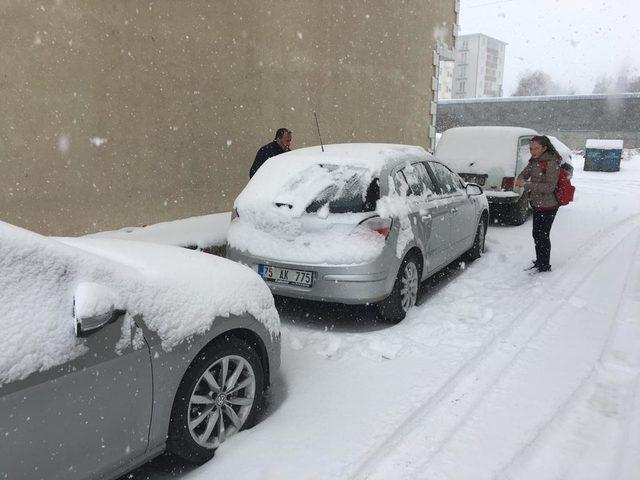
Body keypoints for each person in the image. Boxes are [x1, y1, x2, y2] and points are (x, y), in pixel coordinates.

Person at [515, 135, 562, 272]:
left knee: (543, 234)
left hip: (549, 205)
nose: (532, 151)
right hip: (537, 203)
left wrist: (527, 184)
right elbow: (524, 173)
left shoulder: (551, 162)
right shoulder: (535, 161)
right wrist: (521, 178)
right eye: (530, 148)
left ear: (544, 148)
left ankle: (544, 265)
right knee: (536, 233)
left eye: (536, 148)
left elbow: (549, 187)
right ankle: (539, 260)